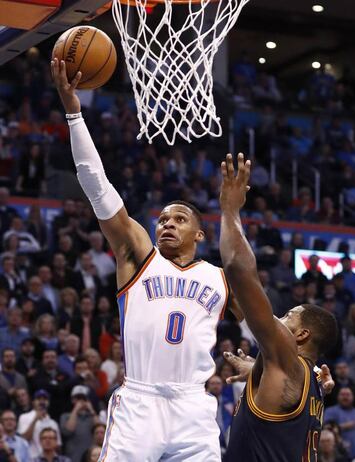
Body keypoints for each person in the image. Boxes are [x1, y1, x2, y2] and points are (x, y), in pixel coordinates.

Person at [52, 57, 230, 461]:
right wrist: (74, 114)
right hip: (141, 400)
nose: (166, 224)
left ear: (199, 234)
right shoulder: (139, 255)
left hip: (194, 406)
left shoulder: (220, 278)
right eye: (162, 218)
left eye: (179, 219)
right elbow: (96, 186)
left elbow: (266, 331)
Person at [219, 153, 338, 461]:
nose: (279, 321)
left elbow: (237, 268)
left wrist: (230, 209)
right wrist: (256, 368)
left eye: (288, 317)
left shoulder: (287, 359)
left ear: (300, 336)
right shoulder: (311, 381)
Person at [17, 389, 62, 459]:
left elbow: (58, 446)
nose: (42, 401)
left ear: (48, 402)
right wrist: (35, 419)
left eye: (45, 399)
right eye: (38, 399)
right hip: (31, 458)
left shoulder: (53, 423)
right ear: (33, 402)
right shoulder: (24, 417)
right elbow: (23, 440)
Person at [60, 385, 99, 462]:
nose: (81, 401)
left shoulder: (92, 416)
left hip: (91, 457)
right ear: (72, 400)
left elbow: (100, 429)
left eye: (83, 398)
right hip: (73, 457)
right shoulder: (65, 416)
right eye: (78, 398)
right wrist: (76, 410)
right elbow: (68, 431)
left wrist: (91, 410)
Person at [324, 387, 355, 459]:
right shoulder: (330, 411)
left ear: (353, 397)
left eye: (348, 395)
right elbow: (326, 429)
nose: (345, 397)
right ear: (338, 396)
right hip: (339, 455)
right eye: (342, 394)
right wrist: (343, 426)